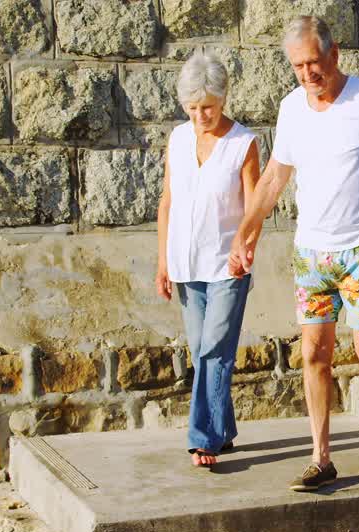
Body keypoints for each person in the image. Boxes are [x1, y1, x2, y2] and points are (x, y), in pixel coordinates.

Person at [230, 15, 359, 492]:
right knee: (313, 351)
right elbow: (274, 178)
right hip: (312, 251)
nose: (308, 74)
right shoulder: (291, 109)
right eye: (298, 66)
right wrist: (245, 232)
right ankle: (320, 457)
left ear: (334, 54)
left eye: (314, 63)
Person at [156, 54, 261, 469]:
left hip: (227, 265)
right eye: (193, 107)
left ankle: (204, 438)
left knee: (215, 351)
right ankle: (224, 428)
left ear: (223, 99)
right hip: (185, 263)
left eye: (209, 107)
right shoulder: (178, 139)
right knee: (201, 350)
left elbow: (255, 207)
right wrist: (162, 262)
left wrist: (245, 248)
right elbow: (167, 202)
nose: (201, 116)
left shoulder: (243, 144)